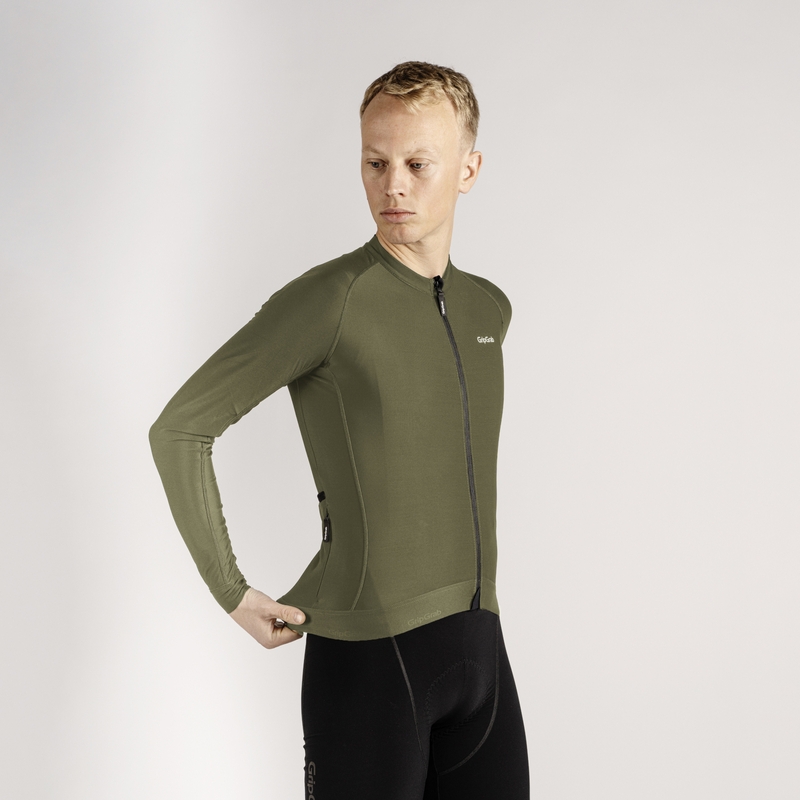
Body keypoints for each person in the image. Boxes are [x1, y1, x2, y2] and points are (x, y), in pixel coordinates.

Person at [150, 61, 529, 799]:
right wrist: (231, 591)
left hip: (482, 656)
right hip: (369, 664)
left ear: (468, 170)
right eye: (375, 163)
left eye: (418, 164)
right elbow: (181, 429)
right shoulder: (332, 299)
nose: (393, 187)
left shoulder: (488, 310)